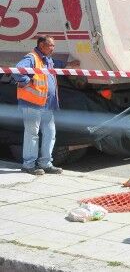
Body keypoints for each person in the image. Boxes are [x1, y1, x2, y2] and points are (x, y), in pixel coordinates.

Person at [12, 36, 80, 175]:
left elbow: (57, 64)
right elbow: (18, 69)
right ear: (42, 45)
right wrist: (25, 81)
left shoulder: (47, 59)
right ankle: (29, 165)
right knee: (32, 134)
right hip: (32, 104)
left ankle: (46, 163)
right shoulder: (32, 58)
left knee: (50, 133)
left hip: (47, 105)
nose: (53, 48)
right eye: (51, 45)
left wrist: (70, 64)